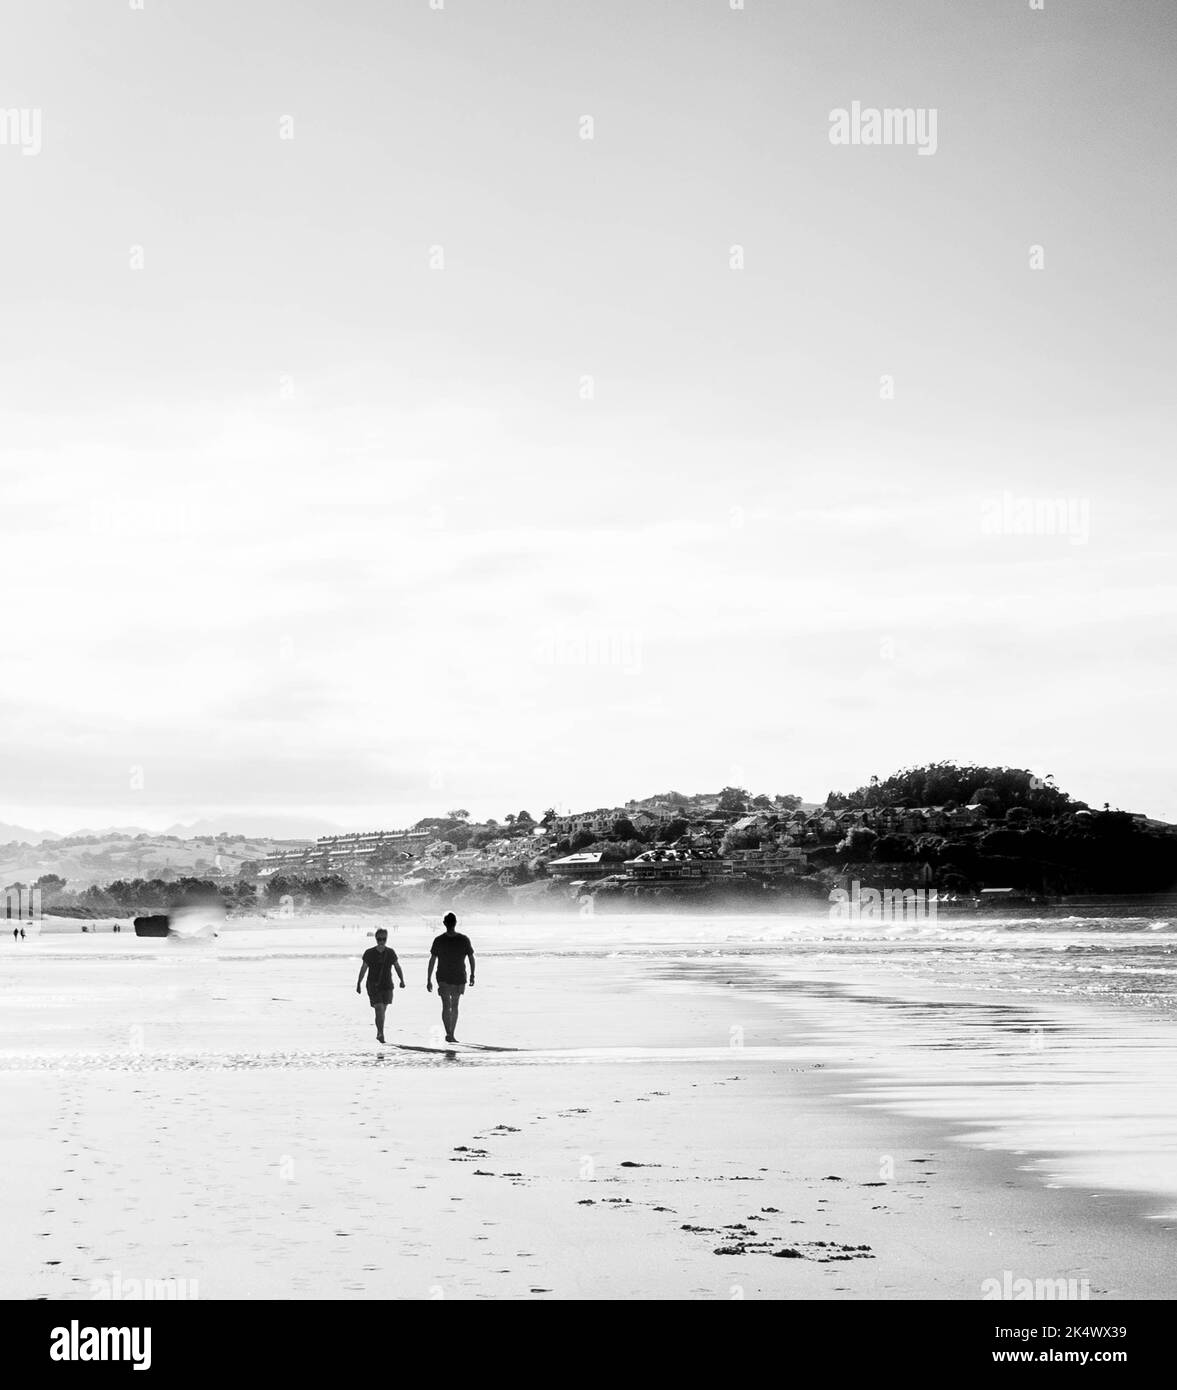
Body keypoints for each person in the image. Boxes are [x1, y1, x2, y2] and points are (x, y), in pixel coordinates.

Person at [427, 912, 475, 1043]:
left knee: (445, 1005)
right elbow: (471, 958)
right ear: (455, 923)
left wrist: (428, 979)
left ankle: (448, 1032)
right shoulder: (464, 939)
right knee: (455, 1005)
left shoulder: (438, 940)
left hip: (443, 976)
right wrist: (472, 975)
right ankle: (451, 1033)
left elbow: (432, 960)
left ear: (444, 924)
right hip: (459, 976)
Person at [356, 928, 405, 1043]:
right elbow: (363, 968)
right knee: (379, 1008)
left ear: (386, 939)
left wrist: (402, 980)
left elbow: (397, 966)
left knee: (383, 1010)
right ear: (376, 939)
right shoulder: (369, 953)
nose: (381, 941)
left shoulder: (391, 952)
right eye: (379, 939)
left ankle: (380, 1030)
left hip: (387, 985)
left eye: (384, 939)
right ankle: (380, 1033)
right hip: (373, 985)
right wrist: (358, 982)